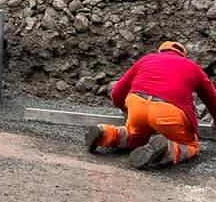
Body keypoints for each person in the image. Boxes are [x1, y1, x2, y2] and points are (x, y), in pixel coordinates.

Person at [85, 41, 216, 169]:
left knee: (134, 135)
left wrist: (123, 108)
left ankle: (105, 133)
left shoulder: (146, 59)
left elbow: (117, 91)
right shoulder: (192, 67)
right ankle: (167, 148)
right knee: (190, 144)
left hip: (137, 105)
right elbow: (212, 99)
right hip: (169, 111)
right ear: (183, 55)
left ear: (160, 51)